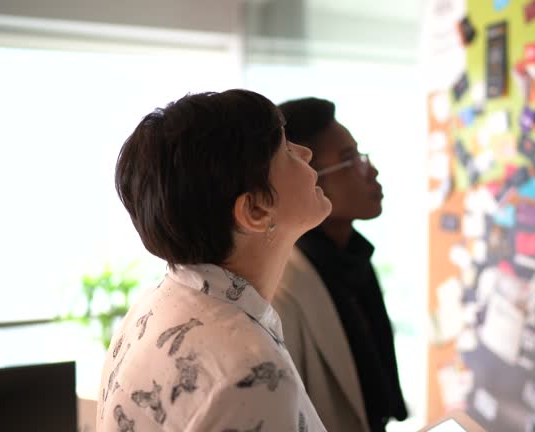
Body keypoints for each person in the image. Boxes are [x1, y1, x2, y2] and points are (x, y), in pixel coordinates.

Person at [97, 89, 331, 431]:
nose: (307, 153)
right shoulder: (250, 373)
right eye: (286, 149)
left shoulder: (155, 304)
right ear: (254, 210)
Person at [272, 97, 407, 432]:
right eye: (351, 160)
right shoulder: (282, 287)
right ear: (309, 180)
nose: (370, 169)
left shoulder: (353, 255)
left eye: (361, 155)